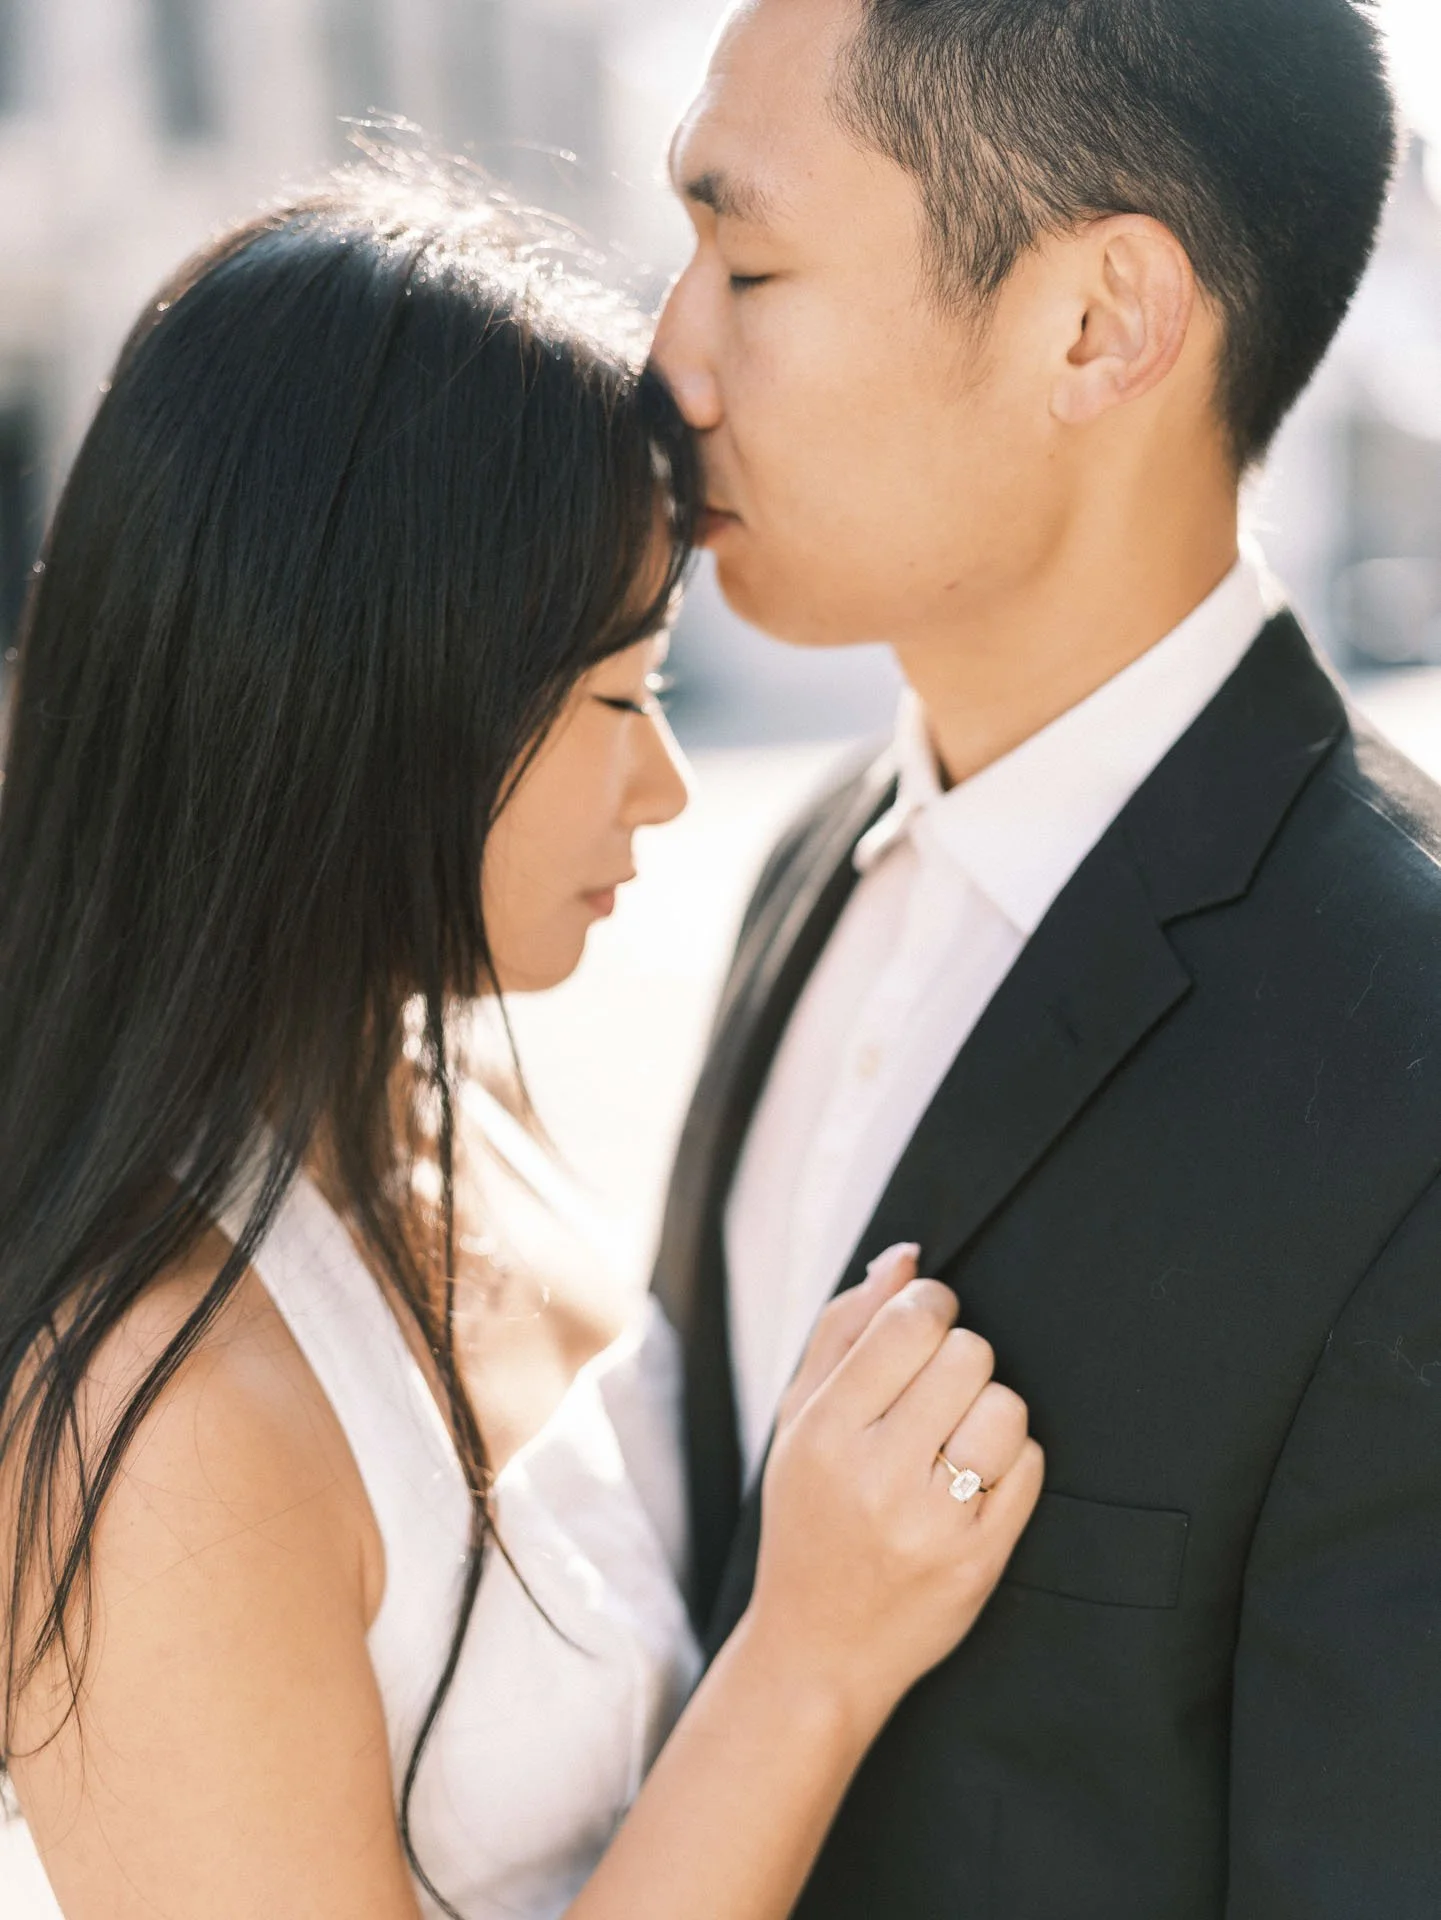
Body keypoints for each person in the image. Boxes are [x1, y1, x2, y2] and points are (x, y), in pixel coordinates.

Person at [0, 169, 1044, 1920]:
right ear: (376, 708)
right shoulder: (151, 1421)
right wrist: (810, 1660)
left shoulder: (434, 1093)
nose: (671, 782)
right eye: (621, 698)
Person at [652, 1, 1441, 1914]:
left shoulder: (1403, 1042)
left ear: (1100, 325)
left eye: (748, 261)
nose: (671, 354)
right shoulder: (812, 863)